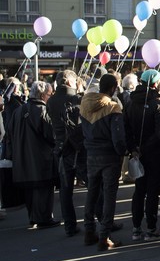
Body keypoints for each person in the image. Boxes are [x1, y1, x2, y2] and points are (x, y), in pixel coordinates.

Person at [80, 74, 127, 251]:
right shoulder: (113, 107)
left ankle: (88, 230)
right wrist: (122, 152)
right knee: (109, 195)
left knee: (92, 192)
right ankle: (104, 236)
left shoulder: (85, 104)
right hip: (109, 156)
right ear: (113, 88)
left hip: (91, 153)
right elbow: (118, 137)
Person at [6, 81, 59, 228]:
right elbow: (51, 134)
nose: (50, 96)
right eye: (49, 94)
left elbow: (9, 133)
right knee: (44, 190)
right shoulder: (41, 110)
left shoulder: (19, 110)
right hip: (40, 158)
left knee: (30, 191)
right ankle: (44, 218)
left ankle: (34, 217)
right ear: (42, 95)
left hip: (22, 158)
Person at [124, 69, 160, 242]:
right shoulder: (158, 103)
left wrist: (133, 148)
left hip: (136, 153)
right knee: (152, 191)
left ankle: (136, 228)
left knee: (139, 190)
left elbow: (125, 130)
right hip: (154, 154)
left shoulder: (130, 102)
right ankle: (151, 228)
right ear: (155, 84)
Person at [46, 70, 85, 237]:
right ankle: (102, 222)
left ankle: (70, 225)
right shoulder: (77, 99)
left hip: (62, 149)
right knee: (93, 186)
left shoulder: (51, 101)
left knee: (65, 190)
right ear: (70, 82)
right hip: (79, 148)